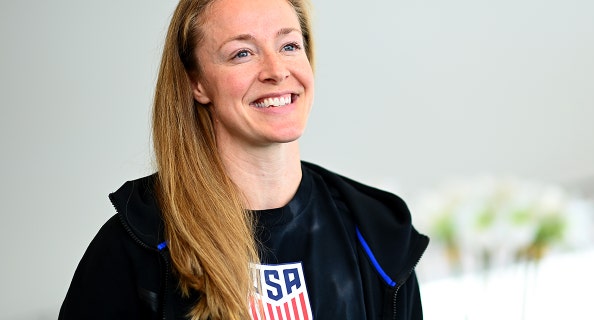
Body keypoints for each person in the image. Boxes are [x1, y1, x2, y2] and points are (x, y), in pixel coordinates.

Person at [58, 0, 429, 319]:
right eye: (242, 53)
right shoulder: (138, 243)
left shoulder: (379, 236)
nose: (276, 71)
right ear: (197, 84)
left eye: (288, 45)